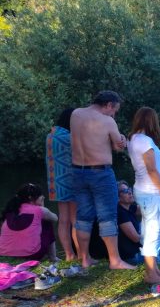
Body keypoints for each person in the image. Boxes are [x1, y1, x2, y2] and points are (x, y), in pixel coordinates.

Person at [69, 90, 133, 270]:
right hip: (100, 173)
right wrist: (123, 141)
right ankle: (115, 261)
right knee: (107, 217)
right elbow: (119, 147)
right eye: (115, 110)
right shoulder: (107, 121)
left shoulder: (76, 114)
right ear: (109, 105)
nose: (114, 114)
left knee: (83, 216)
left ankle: (84, 259)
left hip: (77, 171)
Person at [127, 107, 160, 292]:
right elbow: (151, 168)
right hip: (151, 191)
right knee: (154, 231)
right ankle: (150, 273)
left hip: (143, 189)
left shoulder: (134, 139)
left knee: (150, 228)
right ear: (151, 121)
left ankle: (154, 269)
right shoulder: (145, 141)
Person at [45, 108, 77, 261]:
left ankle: (68, 254)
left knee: (63, 219)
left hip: (55, 182)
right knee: (75, 219)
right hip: (70, 181)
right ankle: (81, 254)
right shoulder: (70, 137)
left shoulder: (51, 136)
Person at [0, 183, 59, 264]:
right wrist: (42, 206)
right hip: (32, 254)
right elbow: (55, 218)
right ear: (31, 198)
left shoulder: (11, 209)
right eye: (40, 195)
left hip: (5, 253)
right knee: (47, 221)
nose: (43, 197)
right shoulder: (39, 210)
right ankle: (53, 258)